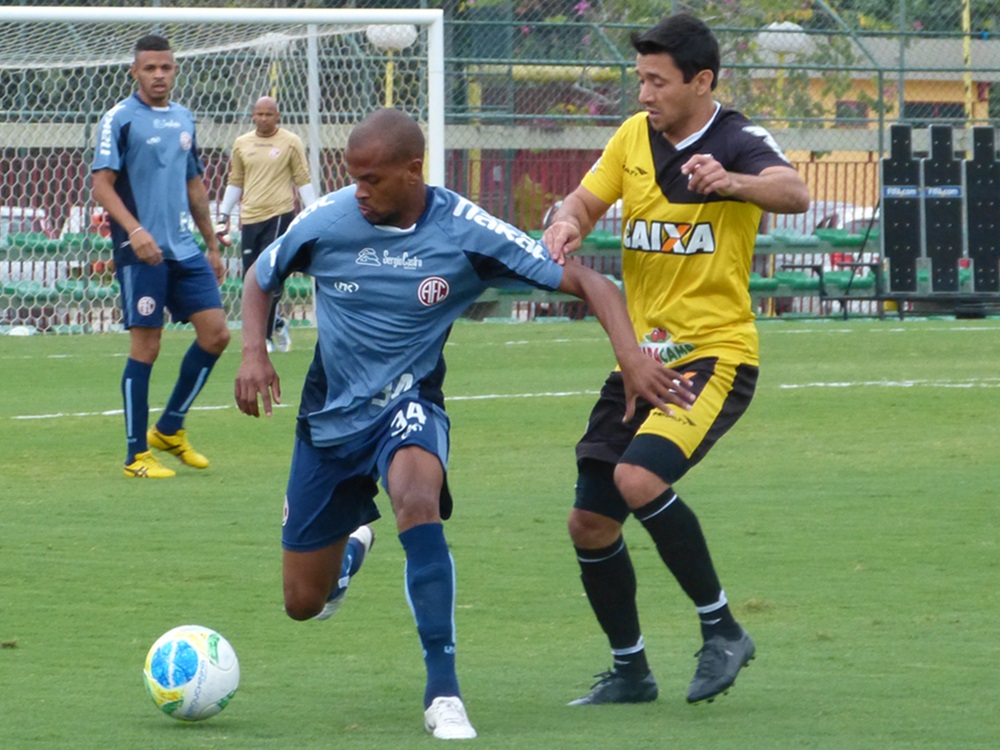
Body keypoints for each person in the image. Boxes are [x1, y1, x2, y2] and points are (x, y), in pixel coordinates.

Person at [234, 108, 695, 740]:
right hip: (329, 418)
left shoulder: (465, 230)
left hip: (408, 403)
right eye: (353, 177)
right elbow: (262, 279)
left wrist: (632, 359)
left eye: (371, 178)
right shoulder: (329, 221)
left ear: (411, 171)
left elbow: (592, 284)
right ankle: (347, 558)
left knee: (417, 499)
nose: (359, 190)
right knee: (301, 604)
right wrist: (253, 351)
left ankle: (443, 693)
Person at [542, 13, 810, 706]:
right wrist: (568, 221)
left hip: (715, 355)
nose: (644, 94)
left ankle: (723, 631)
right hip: (644, 356)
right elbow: (586, 197)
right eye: (639, 79)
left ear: (701, 81)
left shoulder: (737, 139)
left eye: (657, 82)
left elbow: (794, 190)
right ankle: (632, 671)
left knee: (636, 478)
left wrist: (732, 182)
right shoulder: (633, 136)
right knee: (589, 522)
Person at [92, 34, 231, 479]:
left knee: (216, 335)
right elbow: (101, 185)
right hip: (140, 252)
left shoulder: (184, 118)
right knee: (146, 347)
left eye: (165, 68)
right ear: (134, 72)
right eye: (149, 68)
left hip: (184, 249)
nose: (158, 75)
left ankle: (169, 428)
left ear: (174, 70)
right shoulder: (119, 119)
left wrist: (211, 244)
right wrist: (134, 231)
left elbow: (194, 185)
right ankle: (136, 455)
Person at [217, 95, 316, 354]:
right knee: (251, 279)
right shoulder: (242, 144)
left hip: (278, 214)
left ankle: (265, 338)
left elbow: (301, 178)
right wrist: (223, 214)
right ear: (253, 115)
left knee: (269, 277)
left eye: (268, 114)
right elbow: (235, 180)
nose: (263, 119)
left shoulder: (290, 142)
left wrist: (314, 211)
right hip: (250, 217)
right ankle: (277, 324)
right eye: (259, 114)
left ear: (277, 116)